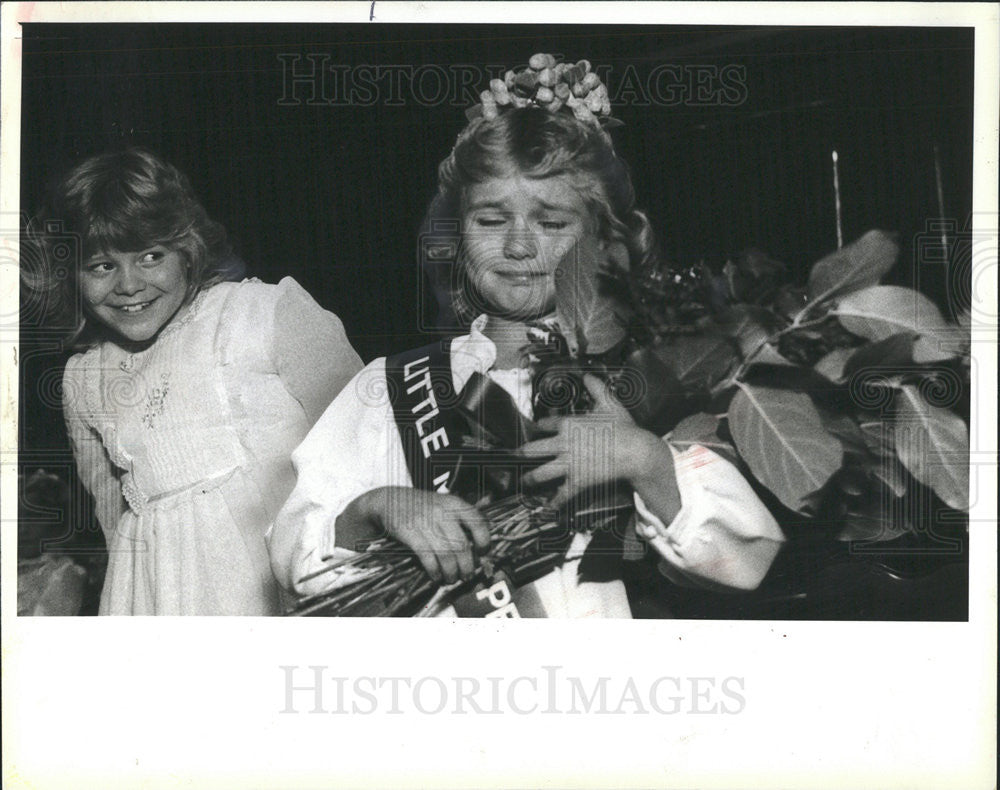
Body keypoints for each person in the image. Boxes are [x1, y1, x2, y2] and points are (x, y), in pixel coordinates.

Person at [270, 56, 785, 617]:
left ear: (605, 237)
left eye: (552, 222)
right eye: (491, 221)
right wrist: (374, 509)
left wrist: (644, 458)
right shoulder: (393, 388)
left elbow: (744, 559)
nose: (518, 247)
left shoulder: (643, 375)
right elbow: (299, 560)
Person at [32, 147, 363, 615]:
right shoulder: (84, 380)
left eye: (151, 256)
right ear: (71, 276)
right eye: (102, 265)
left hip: (285, 589)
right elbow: (114, 522)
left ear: (188, 250)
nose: (129, 285)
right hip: (156, 604)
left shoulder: (260, 314)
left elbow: (368, 453)